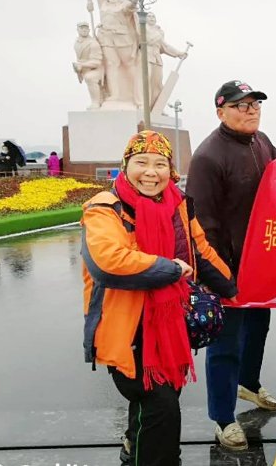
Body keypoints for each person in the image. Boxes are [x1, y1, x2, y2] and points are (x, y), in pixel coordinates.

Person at [81, 130, 236, 466]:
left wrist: (233, 287)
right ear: (125, 166)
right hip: (128, 333)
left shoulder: (178, 206)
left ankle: (133, 451)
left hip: (170, 327)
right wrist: (168, 268)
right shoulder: (104, 210)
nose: (151, 172)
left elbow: (200, 251)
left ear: (171, 170)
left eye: (160, 164)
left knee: (153, 410)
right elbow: (109, 264)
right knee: (161, 408)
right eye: (141, 162)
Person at [186, 80, 276, 450]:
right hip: (227, 269)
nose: (250, 110)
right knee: (224, 344)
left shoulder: (262, 142)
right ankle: (223, 419)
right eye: (240, 105)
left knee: (258, 328)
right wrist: (220, 277)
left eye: (255, 103)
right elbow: (202, 225)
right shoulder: (209, 156)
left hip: (261, 263)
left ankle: (250, 384)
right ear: (221, 111)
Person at [91, 0, 138, 104]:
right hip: (106, 38)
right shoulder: (103, 5)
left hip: (123, 39)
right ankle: (115, 95)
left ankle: (139, 94)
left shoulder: (123, 6)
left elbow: (133, 4)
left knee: (129, 65)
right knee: (112, 65)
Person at [144, 12, 188, 108]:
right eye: (149, 16)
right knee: (145, 81)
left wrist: (179, 53)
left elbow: (165, 46)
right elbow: (148, 40)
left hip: (156, 59)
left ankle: (155, 107)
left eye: (153, 16)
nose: (151, 18)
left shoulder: (158, 32)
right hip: (145, 58)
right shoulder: (142, 28)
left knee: (157, 84)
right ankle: (143, 106)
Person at [73, 21, 104, 109]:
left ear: (89, 30)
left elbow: (97, 62)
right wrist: (78, 69)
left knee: (90, 77)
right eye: (82, 28)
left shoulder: (93, 43)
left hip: (97, 69)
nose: (84, 30)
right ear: (77, 30)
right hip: (84, 69)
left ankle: (95, 103)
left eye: (86, 28)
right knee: (87, 76)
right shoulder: (76, 42)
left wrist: (82, 65)